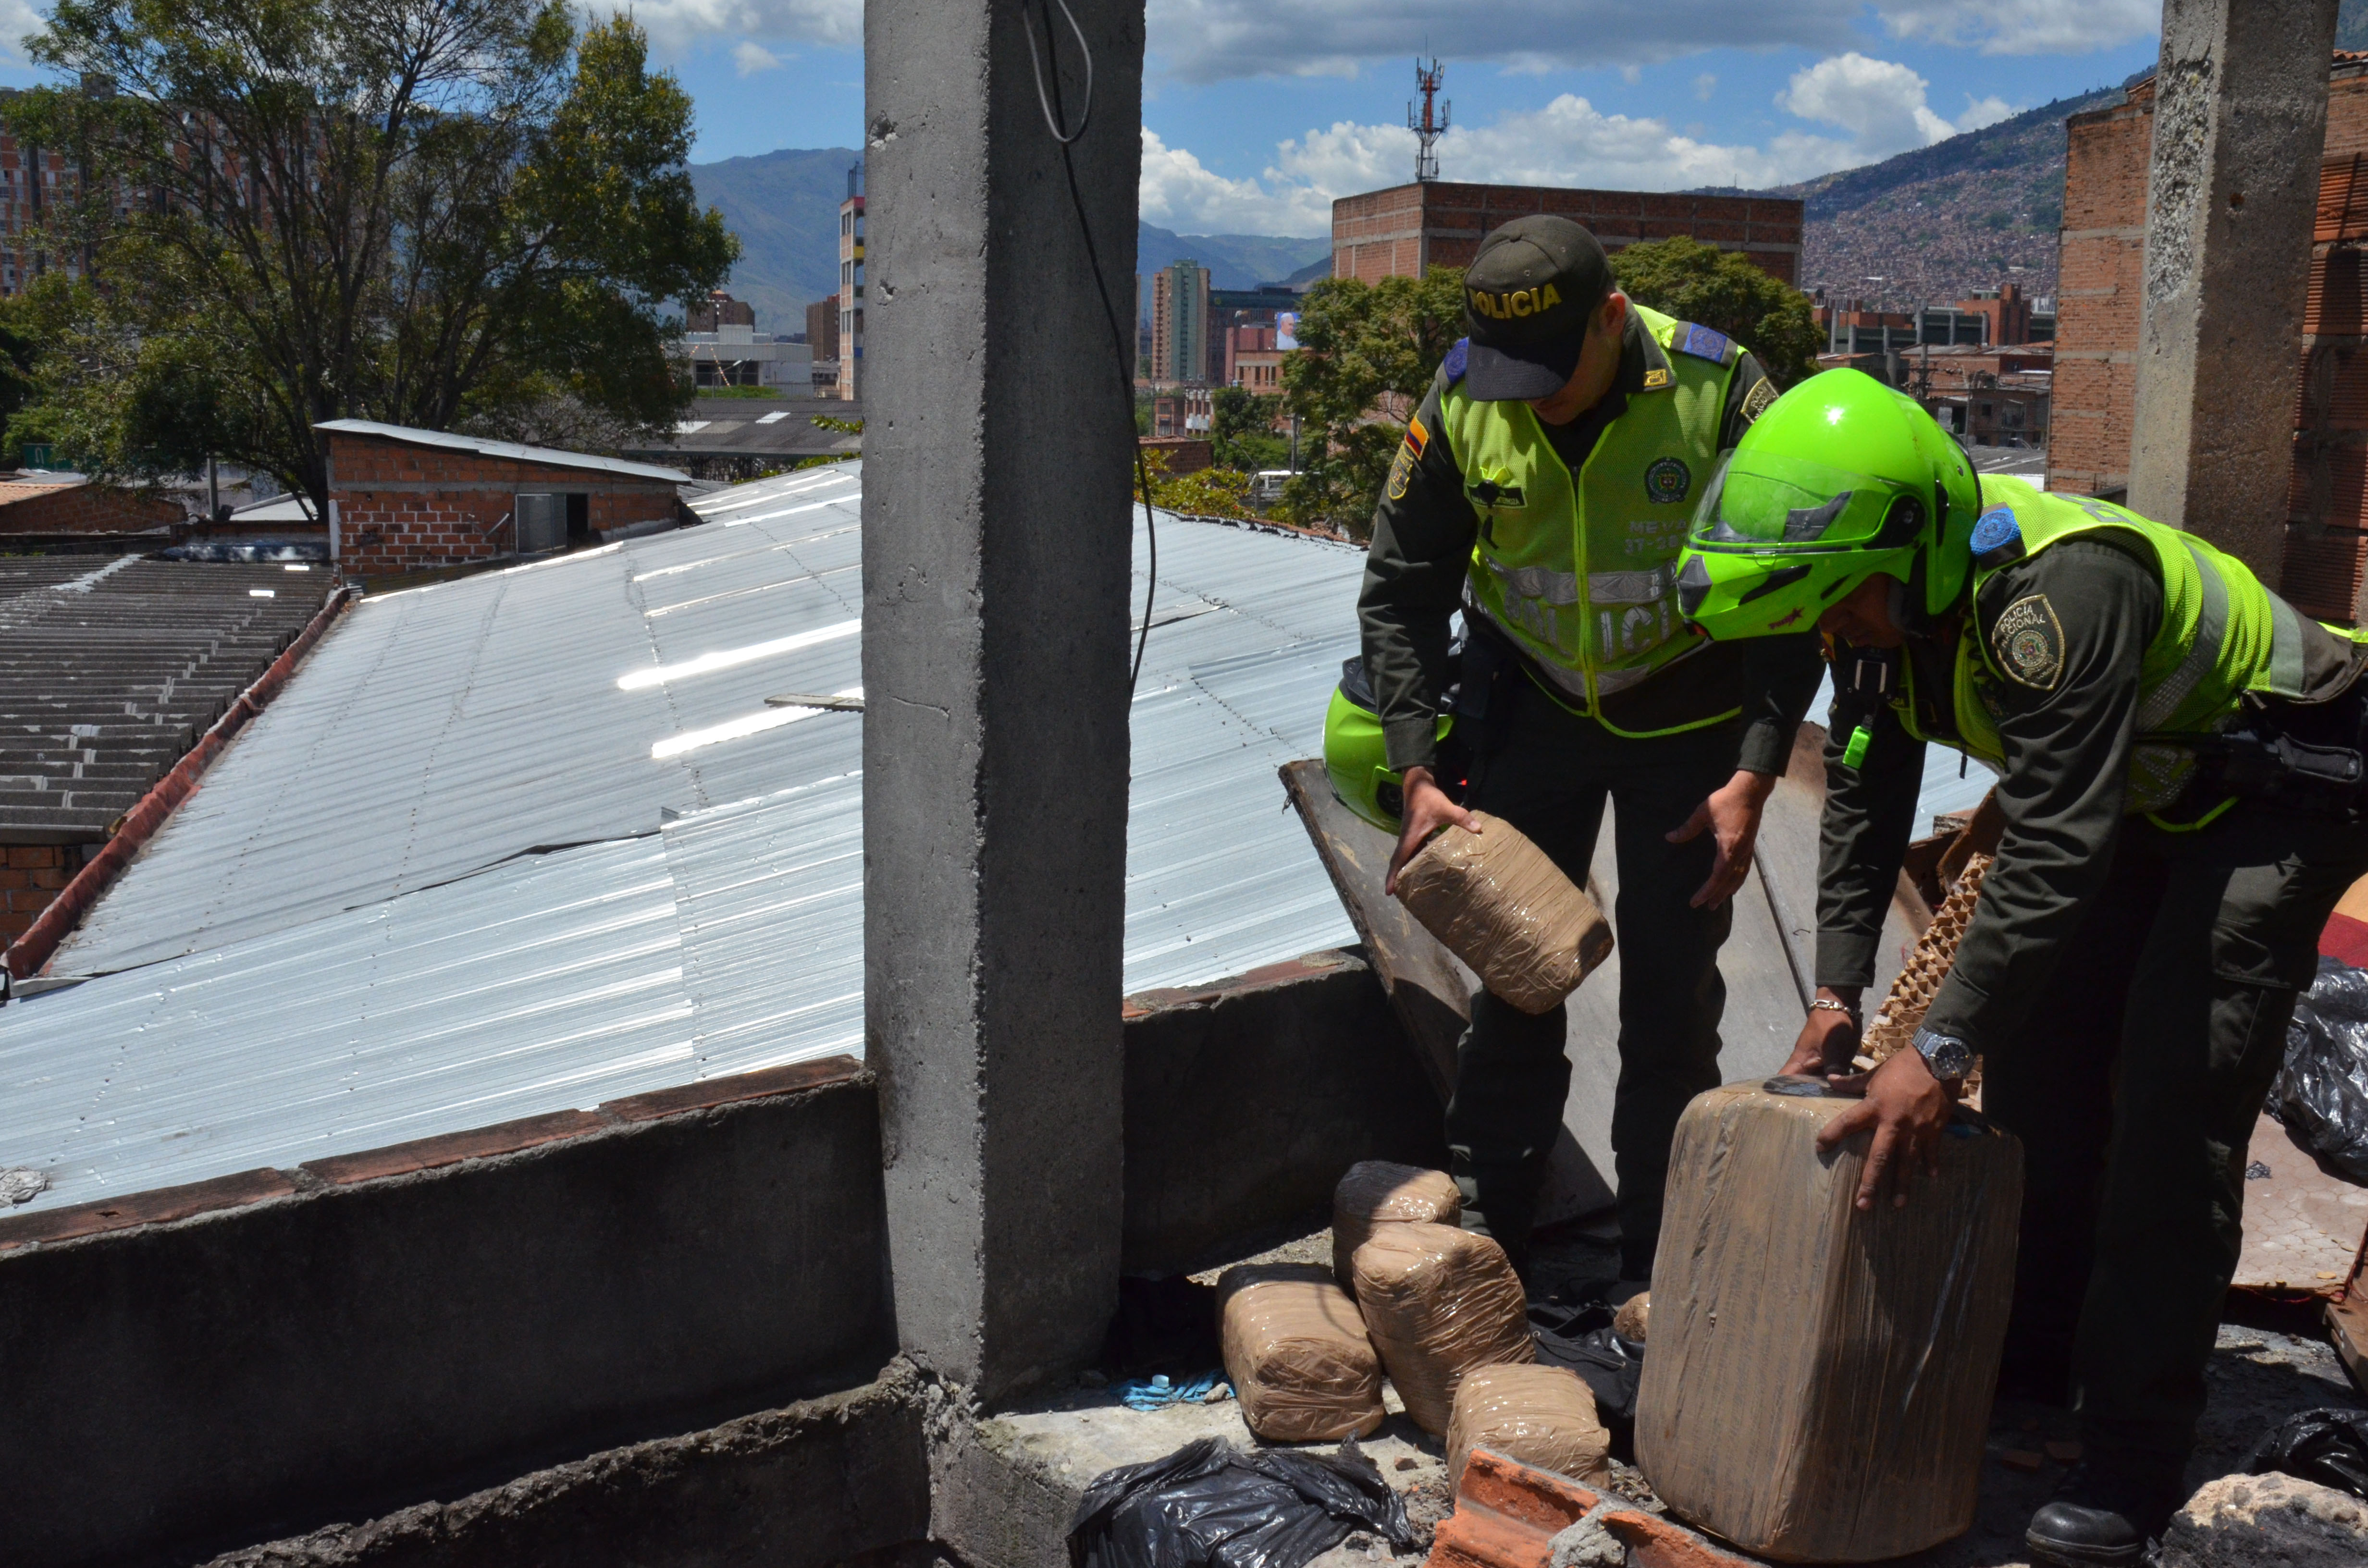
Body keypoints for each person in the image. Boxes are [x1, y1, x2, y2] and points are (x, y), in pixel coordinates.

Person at [1674, 367, 2368, 1566]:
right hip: (2145, 793)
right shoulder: (1890, 605)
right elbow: (1863, 798)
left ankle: (2135, 1457)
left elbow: (2054, 835)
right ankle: (2038, 1363)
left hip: (2281, 790)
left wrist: (1938, 1045)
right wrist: (1840, 996)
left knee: (2170, 1106)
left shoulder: (2055, 595)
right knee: (2043, 1080)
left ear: (1914, 548)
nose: (1837, 635)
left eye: (1844, 613)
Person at [1344, 213, 1822, 1285]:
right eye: (1517, 376)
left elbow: (1799, 595)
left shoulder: (1717, 390)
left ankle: (1660, 1270)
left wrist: (1755, 768)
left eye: (1555, 370)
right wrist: (1419, 765)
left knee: (1669, 1007)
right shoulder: (1466, 394)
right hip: (1532, 714)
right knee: (1514, 989)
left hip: (1688, 728)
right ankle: (1484, 1253)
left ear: (1614, 318)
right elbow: (1404, 587)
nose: (1538, 396)